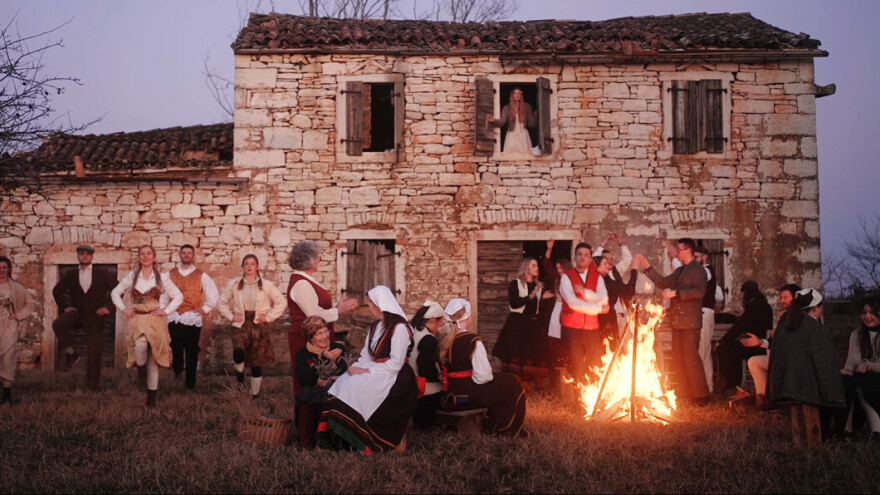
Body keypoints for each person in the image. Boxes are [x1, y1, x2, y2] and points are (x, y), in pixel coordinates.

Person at [317, 286, 417, 454]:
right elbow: (366, 356)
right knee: (344, 382)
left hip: (396, 377)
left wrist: (365, 372)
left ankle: (361, 439)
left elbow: (395, 364)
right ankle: (338, 440)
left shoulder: (399, 328)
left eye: (371, 305)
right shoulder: (376, 326)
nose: (369, 309)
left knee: (354, 385)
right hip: (376, 371)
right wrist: (354, 369)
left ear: (381, 305)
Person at [635, 238, 710, 405]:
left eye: (679, 250)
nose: (676, 253)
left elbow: (699, 292)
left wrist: (675, 294)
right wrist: (647, 266)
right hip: (677, 322)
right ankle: (684, 395)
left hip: (690, 322)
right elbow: (663, 282)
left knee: (690, 357)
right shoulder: (680, 271)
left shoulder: (698, 271)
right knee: (678, 358)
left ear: (687, 250)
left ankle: (700, 396)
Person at [440, 298, 527, 437]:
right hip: (467, 396)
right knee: (511, 382)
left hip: (450, 395)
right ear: (467, 317)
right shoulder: (473, 341)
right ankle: (503, 427)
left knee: (502, 381)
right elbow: (483, 377)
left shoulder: (444, 341)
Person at [111, 245, 183, 407]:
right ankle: (140, 371)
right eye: (142, 254)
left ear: (154, 258)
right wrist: (124, 308)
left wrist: (166, 311)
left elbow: (178, 296)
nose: (145, 256)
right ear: (138, 258)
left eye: (149, 254)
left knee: (154, 360)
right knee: (140, 348)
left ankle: (151, 398)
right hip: (137, 320)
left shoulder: (162, 278)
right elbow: (115, 293)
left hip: (154, 320)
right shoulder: (132, 277)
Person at [769, 288, 845, 440]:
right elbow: (825, 368)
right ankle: (835, 435)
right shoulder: (816, 329)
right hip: (803, 389)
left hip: (782, 387)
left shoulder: (783, 327)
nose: (822, 311)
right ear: (815, 308)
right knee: (844, 388)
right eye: (821, 307)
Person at [287, 241, 358, 394]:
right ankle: (308, 411)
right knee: (309, 374)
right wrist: (338, 310)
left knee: (323, 372)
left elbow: (319, 308)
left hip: (316, 334)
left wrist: (339, 307)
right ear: (310, 260)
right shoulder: (301, 284)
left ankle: (322, 410)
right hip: (306, 336)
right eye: (318, 257)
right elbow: (313, 315)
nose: (320, 260)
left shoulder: (306, 280)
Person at [217, 254, 286, 399]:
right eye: (246, 264)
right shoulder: (235, 284)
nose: (249, 266)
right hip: (240, 324)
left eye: (252, 264)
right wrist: (231, 316)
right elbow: (221, 302)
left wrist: (267, 317)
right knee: (238, 353)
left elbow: (281, 303)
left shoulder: (266, 285)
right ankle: (240, 374)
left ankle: (254, 394)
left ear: (257, 267)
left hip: (258, 325)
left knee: (257, 360)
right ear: (243, 267)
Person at [52, 245, 116, 389]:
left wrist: (109, 307)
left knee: (95, 349)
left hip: (95, 316)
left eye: (88, 254)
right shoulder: (71, 274)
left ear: (92, 256)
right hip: (78, 313)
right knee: (58, 324)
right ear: (78, 256)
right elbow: (57, 291)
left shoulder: (103, 273)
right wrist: (65, 307)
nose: (85, 256)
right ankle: (71, 352)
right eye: (82, 253)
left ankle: (92, 385)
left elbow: (118, 290)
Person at [163, 244, 218, 390]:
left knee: (192, 350)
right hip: (175, 316)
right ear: (180, 255)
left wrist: (205, 308)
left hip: (192, 317)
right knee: (176, 347)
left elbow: (213, 294)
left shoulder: (201, 275)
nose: (186, 255)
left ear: (193, 256)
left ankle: (190, 383)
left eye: (189, 253)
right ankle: (177, 375)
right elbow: (164, 294)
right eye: (184, 253)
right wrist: (166, 310)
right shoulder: (171, 274)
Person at [741, 283, 800, 407]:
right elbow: (774, 341)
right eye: (781, 297)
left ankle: (778, 398)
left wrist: (779, 336)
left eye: (785, 297)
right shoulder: (785, 317)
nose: (782, 300)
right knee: (753, 361)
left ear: (795, 298)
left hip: (794, 361)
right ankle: (765, 398)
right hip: (780, 359)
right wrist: (761, 342)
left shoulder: (802, 318)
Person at [294, 316, 348, 448]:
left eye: (326, 331)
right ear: (310, 337)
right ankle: (307, 440)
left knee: (329, 396)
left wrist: (334, 364)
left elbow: (344, 371)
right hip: (312, 388)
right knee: (306, 397)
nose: (324, 336)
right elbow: (302, 379)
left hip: (336, 388)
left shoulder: (338, 348)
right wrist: (323, 360)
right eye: (319, 333)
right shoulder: (302, 354)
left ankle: (331, 442)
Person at [559, 242, 609, 384]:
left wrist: (586, 293)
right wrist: (598, 308)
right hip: (572, 329)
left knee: (595, 365)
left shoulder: (597, 277)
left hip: (592, 329)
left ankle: (592, 401)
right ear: (575, 257)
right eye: (579, 254)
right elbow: (573, 303)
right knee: (576, 367)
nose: (582, 258)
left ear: (590, 258)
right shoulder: (566, 277)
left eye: (586, 255)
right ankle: (578, 403)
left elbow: (604, 299)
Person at [493, 258, 554, 368]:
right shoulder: (515, 283)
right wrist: (530, 297)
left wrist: (542, 299)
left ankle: (529, 383)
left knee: (531, 358)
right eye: (533, 266)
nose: (537, 268)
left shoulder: (538, 286)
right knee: (515, 356)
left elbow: (536, 308)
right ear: (526, 267)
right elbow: (514, 303)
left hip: (531, 325)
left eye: (537, 266)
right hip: (517, 324)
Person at [716, 281, 774, 393]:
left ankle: (731, 384)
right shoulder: (763, 304)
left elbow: (740, 326)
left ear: (746, 293)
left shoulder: (754, 305)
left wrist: (724, 340)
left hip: (755, 345)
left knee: (725, 349)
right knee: (732, 348)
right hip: (760, 343)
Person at [840, 297, 880, 440]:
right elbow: (852, 362)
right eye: (864, 312)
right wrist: (846, 372)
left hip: (876, 377)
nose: (867, 316)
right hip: (862, 378)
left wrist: (869, 365)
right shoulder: (857, 334)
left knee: (862, 382)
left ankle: (875, 429)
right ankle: (846, 431)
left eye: (872, 312)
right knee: (850, 382)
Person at [0, 256, 34, 405]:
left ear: (8, 269)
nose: (1, 270)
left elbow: (30, 304)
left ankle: (7, 393)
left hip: (9, 326)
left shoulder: (16, 287)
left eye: (4, 267)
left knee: (8, 356)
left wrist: (18, 316)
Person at [408, 300, 445, 430]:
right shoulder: (429, 338)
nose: (440, 327)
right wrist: (439, 378)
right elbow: (425, 368)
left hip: (411, 383)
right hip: (426, 389)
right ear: (433, 319)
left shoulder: (412, 332)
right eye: (440, 323)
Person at [594, 233, 637, 343]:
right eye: (606, 260)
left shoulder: (615, 270)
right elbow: (594, 259)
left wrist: (620, 243)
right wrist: (604, 242)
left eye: (611, 259)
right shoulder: (597, 275)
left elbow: (628, 259)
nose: (610, 262)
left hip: (620, 314)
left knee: (623, 344)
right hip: (605, 314)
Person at [693, 245, 717, 392]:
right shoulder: (706, 270)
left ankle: (701, 387)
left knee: (702, 351)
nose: (694, 260)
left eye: (696, 257)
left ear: (705, 257)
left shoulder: (705, 271)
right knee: (705, 351)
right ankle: (708, 386)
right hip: (704, 313)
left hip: (704, 313)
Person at [486, 87, 537, 154]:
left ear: (521, 95)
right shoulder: (507, 108)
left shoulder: (527, 107)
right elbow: (502, 121)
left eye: (519, 93)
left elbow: (531, 123)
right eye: (515, 93)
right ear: (512, 95)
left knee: (524, 154)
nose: (517, 95)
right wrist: (493, 121)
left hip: (523, 135)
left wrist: (537, 116)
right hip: (512, 135)